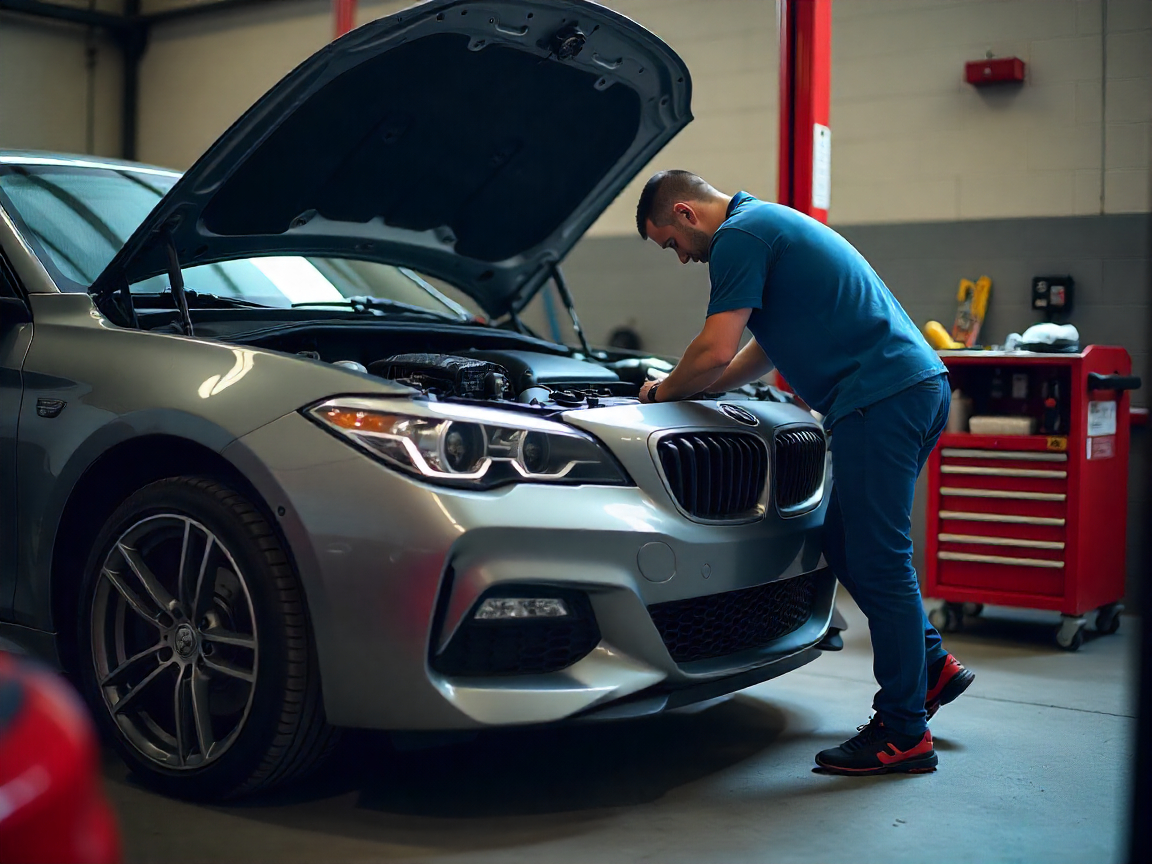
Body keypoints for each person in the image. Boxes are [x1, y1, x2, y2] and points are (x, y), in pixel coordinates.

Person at [635, 170, 974, 776]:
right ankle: (930, 668)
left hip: (881, 399)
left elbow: (712, 350)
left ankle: (902, 733)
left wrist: (660, 393)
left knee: (880, 561)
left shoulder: (739, 237)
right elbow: (762, 351)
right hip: (911, 390)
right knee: (845, 542)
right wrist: (706, 386)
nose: (681, 258)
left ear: (684, 214)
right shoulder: (768, 225)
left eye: (671, 244)